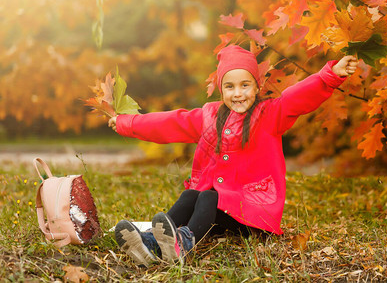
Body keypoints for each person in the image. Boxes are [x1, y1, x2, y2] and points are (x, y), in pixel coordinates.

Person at [108, 45, 358, 266]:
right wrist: (127, 123)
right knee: (190, 195)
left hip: (254, 212)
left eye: (245, 85)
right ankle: (152, 241)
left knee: (206, 197)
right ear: (221, 89)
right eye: (230, 87)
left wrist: (331, 74)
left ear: (257, 86)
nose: (238, 93)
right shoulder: (209, 116)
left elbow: (299, 97)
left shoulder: (270, 114)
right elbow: (170, 123)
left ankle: (183, 244)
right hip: (223, 211)